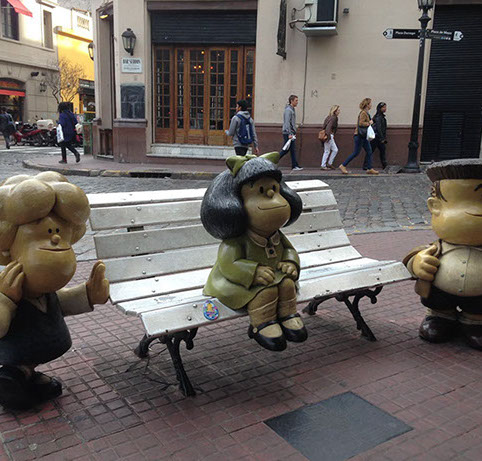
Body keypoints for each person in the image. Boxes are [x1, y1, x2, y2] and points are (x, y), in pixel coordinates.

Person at [201, 152, 307, 352]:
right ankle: (262, 324)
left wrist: (290, 262)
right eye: (261, 191)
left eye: (275, 189)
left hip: (273, 275)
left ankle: (288, 315)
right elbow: (228, 264)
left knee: (287, 284)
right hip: (236, 282)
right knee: (265, 292)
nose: (272, 196)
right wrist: (253, 271)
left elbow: (289, 250)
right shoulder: (236, 241)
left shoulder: (276, 235)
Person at [403, 159, 482, 350]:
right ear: (435, 207)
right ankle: (440, 318)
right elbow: (411, 260)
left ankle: (474, 322)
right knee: (438, 304)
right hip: (440, 297)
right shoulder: (436, 249)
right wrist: (418, 263)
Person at [339, 98, 379, 175]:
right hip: (359, 136)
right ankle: (343, 165)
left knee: (369, 151)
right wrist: (369, 123)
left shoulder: (366, 113)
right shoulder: (363, 113)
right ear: (367, 105)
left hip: (363, 136)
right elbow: (361, 123)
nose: (371, 105)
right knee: (356, 152)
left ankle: (370, 168)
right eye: (370, 103)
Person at [281, 95, 302, 171]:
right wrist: (289, 133)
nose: (297, 102)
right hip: (288, 133)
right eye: (296, 100)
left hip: (291, 133)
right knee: (286, 150)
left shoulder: (292, 109)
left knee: (292, 150)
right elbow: (287, 123)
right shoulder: (288, 110)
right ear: (291, 101)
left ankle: (295, 165)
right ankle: (274, 160)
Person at [364, 102, 388, 170]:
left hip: (378, 137)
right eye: (383, 107)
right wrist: (382, 138)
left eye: (385, 107)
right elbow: (379, 128)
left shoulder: (381, 116)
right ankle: (366, 165)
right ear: (379, 108)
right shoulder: (378, 117)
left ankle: (384, 165)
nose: (385, 109)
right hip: (377, 137)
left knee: (381, 151)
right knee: (372, 151)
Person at [320, 105, 340, 170]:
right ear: (335, 111)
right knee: (328, 151)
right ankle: (324, 165)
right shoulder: (334, 118)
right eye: (338, 110)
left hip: (327, 135)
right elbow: (329, 127)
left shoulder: (328, 117)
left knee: (334, 150)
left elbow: (324, 126)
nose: (339, 111)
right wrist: (328, 136)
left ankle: (329, 163)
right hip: (329, 136)